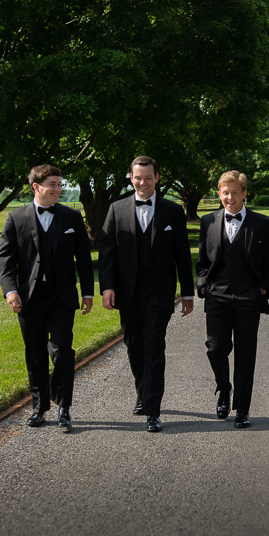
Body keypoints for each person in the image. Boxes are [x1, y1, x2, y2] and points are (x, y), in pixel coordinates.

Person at [99, 156, 194, 433]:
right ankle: (143, 393)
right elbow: (107, 254)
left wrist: (186, 293)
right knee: (134, 346)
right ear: (131, 178)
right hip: (127, 293)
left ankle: (153, 410)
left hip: (159, 293)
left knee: (154, 347)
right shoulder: (116, 209)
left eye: (148, 178)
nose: (143, 183)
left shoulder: (172, 211)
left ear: (157, 178)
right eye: (138, 178)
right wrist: (107, 287)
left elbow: (182, 256)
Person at [0, 164, 94, 433]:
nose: (57, 189)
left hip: (62, 296)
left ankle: (64, 407)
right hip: (29, 298)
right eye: (52, 184)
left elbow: (84, 260)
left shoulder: (72, 218)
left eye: (59, 184)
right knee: (36, 353)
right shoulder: (15, 219)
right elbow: (5, 262)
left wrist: (87, 292)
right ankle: (39, 408)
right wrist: (10, 291)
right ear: (36, 187)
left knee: (62, 349)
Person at [196, 170, 269, 428]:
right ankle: (224, 389)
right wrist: (203, 284)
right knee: (216, 348)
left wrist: (264, 292)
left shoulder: (263, 224)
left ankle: (242, 409)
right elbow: (202, 262)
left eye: (235, 192)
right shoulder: (208, 221)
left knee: (246, 355)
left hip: (249, 298)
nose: (229, 197)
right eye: (225, 192)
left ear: (245, 193)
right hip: (217, 297)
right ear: (219, 194)